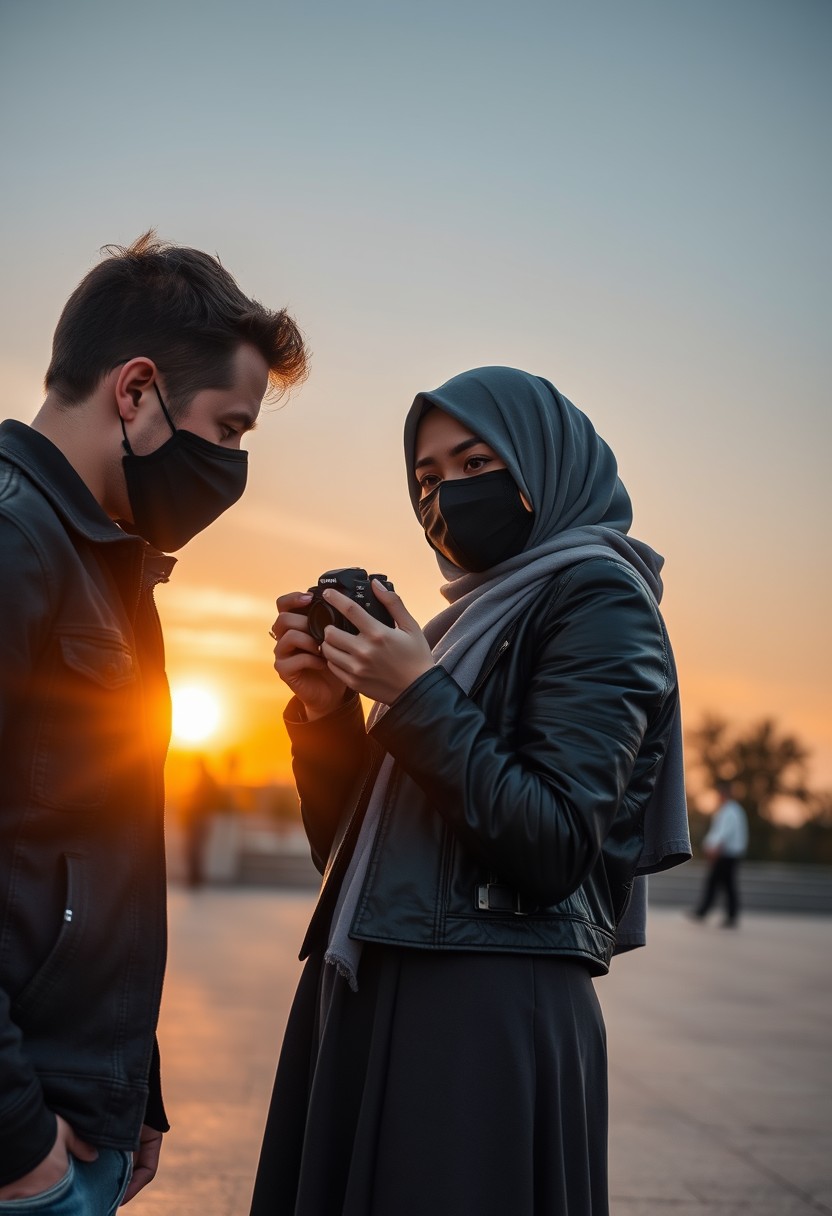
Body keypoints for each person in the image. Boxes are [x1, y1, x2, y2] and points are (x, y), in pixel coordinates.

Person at [252, 366, 690, 1216]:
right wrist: (330, 715)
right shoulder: (458, 632)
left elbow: (554, 841)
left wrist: (415, 694)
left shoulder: (603, 601)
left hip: (486, 1017)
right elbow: (360, 860)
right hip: (384, 993)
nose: (447, 495)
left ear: (543, 464)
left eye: (477, 463)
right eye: (426, 478)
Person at [0, 233, 307, 1212]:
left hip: (76, 1111)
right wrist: (22, 1150)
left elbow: (98, 853)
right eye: (229, 431)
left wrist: (138, 1085)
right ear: (135, 392)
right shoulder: (16, 541)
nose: (232, 468)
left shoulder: (105, 564)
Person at [692, 780, 749, 927]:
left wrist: (714, 848)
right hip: (726, 854)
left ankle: (709, 912)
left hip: (726, 854)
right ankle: (723, 914)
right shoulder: (728, 810)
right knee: (724, 884)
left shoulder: (731, 811)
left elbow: (724, 833)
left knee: (720, 883)